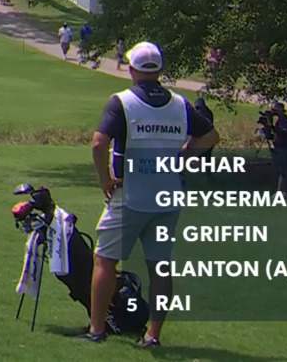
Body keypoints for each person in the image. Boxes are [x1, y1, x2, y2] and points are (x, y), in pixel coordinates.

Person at [86, 42, 218, 347]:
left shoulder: (121, 102)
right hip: (168, 195)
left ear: (132, 69)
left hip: (129, 195)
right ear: (159, 70)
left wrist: (105, 180)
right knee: (159, 267)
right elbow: (210, 135)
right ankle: (153, 335)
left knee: (105, 260)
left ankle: (96, 330)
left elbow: (98, 143)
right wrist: (185, 154)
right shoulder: (180, 103)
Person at [269, 101, 287, 191]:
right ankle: (284, 189)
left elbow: (283, 133)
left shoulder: (286, 121)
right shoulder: (279, 121)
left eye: (276, 109)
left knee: (284, 169)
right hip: (279, 146)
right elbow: (276, 134)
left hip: (285, 147)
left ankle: (283, 190)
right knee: (281, 169)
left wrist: (272, 126)